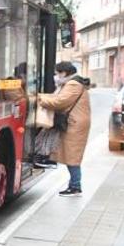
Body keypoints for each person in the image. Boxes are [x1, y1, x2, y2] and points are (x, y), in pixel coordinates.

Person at [38, 61, 91, 197]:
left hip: (75, 124)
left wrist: (39, 99)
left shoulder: (73, 84)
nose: (56, 76)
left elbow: (59, 102)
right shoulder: (73, 83)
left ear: (64, 73)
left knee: (72, 155)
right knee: (70, 153)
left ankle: (75, 186)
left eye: (57, 73)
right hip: (74, 122)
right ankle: (74, 184)